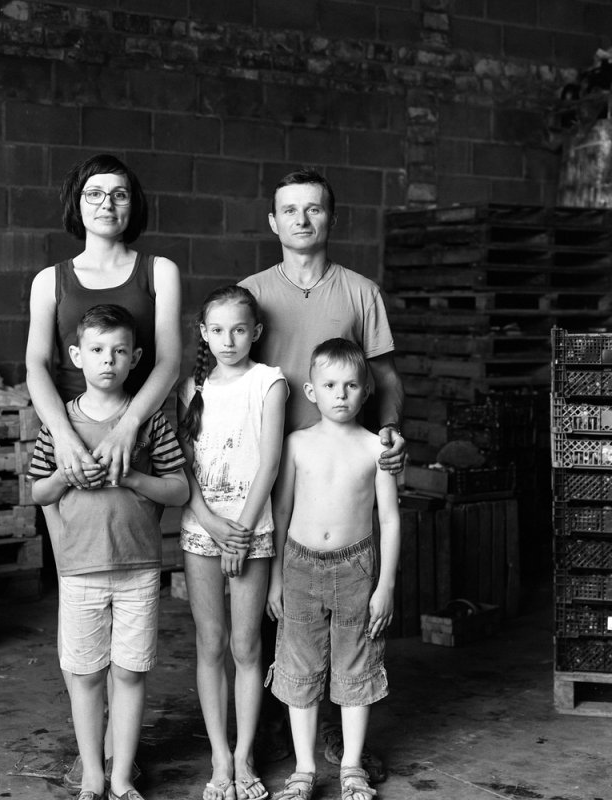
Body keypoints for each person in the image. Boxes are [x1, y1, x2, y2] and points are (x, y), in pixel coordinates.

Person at [238, 168, 404, 775]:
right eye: (290, 210)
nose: (302, 220)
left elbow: (384, 378)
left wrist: (387, 433)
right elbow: (224, 377)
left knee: (347, 615)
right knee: (268, 608)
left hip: (344, 467)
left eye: (314, 209)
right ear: (273, 222)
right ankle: (266, 731)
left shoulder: (361, 292)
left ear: (330, 219)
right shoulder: (251, 293)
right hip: (270, 472)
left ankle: (333, 733)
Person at [25, 153, 182, 790]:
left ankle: (120, 761)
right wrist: (63, 437)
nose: (107, 204)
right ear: (76, 202)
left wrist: (129, 429)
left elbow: (167, 360)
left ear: (132, 204)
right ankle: (96, 759)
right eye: (94, 193)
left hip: (135, 435)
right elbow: (38, 364)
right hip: (71, 439)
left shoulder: (159, 271)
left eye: (119, 194)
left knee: (131, 629)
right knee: (83, 609)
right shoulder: (49, 280)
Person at [266, 338, 401, 800]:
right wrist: (275, 578)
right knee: (299, 666)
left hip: (356, 569)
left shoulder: (373, 448)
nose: (340, 394)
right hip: (300, 565)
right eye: (329, 384)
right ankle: (303, 769)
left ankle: (351, 767)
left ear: (366, 393)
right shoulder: (296, 445)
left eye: (350, 385)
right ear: (311, 391)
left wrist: (385, 586)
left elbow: (389, 519)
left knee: (355, 666)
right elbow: (280, 515)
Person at [177, 286, 288, 800]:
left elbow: (268, 464)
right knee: (210, 642)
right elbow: (184, 469)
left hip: (253, 532)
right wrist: (212, 524)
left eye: (239, 329)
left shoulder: (269, 383)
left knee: (247, 646)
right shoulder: (189, 389)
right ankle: (219, 756)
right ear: (203, 334)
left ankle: (245, 754)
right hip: (202, 532)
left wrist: (241, 532)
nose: (228, 339)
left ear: (256, 333)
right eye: (217, 330)